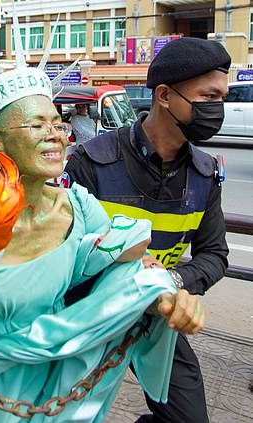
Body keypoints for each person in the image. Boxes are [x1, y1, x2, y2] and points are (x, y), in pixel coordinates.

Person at [0, 12, 206, 422]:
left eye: (58, 122)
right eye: (36, 125)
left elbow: (127, 268)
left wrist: (163, 296)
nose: (56, 134)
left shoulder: (80, 208)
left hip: (60, 388)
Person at [64, 37, 230, 423]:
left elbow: (214, 254)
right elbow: (63, 248)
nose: (216, 109)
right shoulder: (92, 162)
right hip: (87, 311)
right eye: (208, 97)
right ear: (165, 95)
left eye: (220, 97)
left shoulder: (206, 174)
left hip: (155, 312)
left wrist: (170, 279)